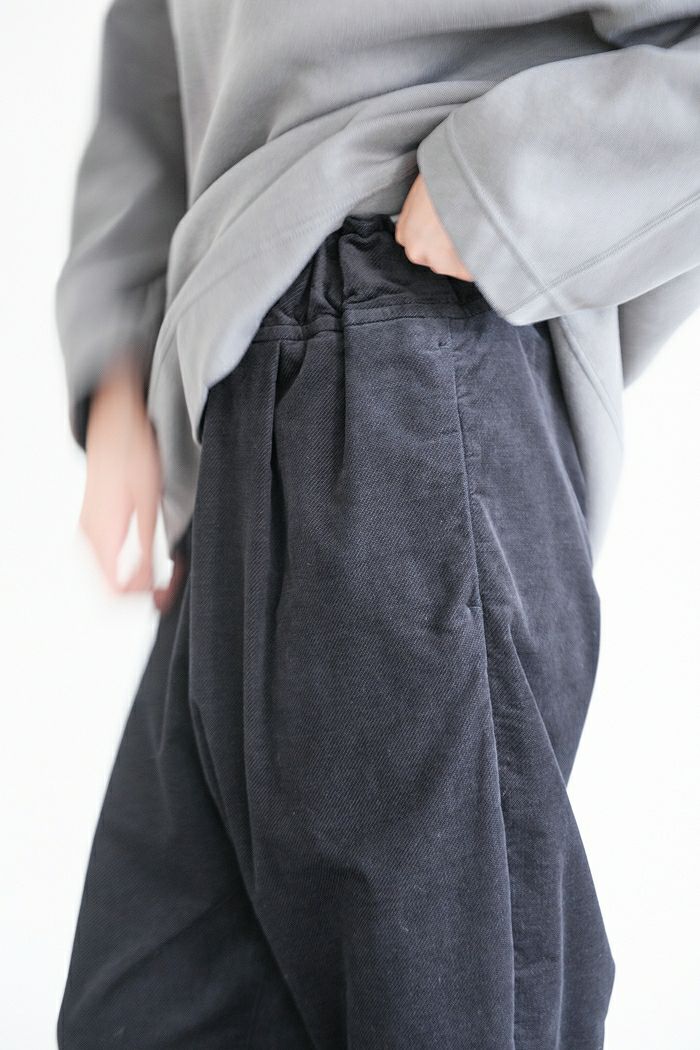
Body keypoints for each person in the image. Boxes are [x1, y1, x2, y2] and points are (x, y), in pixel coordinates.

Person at [55, 2, 700, 1047]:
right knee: (137, 1016)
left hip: (405, 347)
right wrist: (118, 356)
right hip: (229, 396)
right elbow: (153, 38)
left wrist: (512, 185)